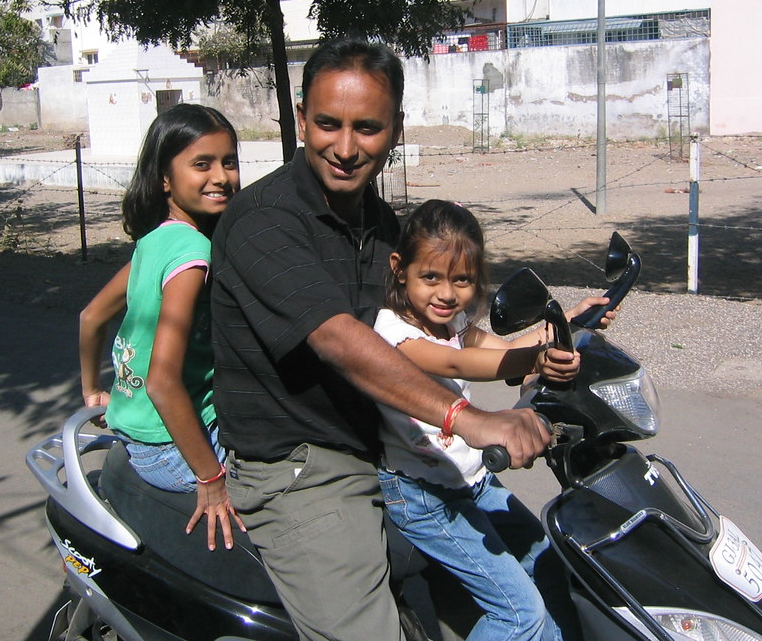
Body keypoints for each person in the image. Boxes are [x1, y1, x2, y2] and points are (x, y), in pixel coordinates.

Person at [210, 37, 555, 641]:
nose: (344, 148)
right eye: (327, 124)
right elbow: (339, 339)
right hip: (305, 467)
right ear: (300, 121)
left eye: (366, 128)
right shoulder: (262, 221)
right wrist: (468, 418)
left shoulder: (382, 225)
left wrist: (539, 347)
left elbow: (440, 330)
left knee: (547, 573)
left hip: (392, 454)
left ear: (395, 130)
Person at [376, 200, 614, 641]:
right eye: (431, 277)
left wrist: (569, 322)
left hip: (472, 481)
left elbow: (500, 350)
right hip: (424, 496)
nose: (447, 294)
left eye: (462, 280)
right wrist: (535, 359)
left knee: (549, 566)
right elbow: (459, 365)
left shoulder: (451, 321)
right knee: (519, 615)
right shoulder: (392, 333)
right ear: (399, 268)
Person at [79, 103, 245, 552]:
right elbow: (162, 382)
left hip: (135, 432)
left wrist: (93, 389)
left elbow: (91, 317)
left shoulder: (155, 240)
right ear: (165, 179)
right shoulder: (193, 254)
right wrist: (210, 478)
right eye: (201, 164)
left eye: (228, 161)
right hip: (175, 449)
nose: (221, 176)